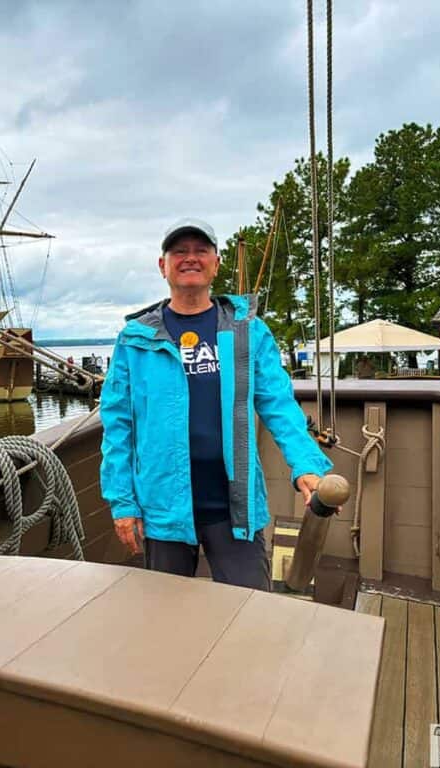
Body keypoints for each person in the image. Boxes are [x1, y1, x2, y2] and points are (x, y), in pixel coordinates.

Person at [100, 217, 333, 591]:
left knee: (249, 614)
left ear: (216, 262)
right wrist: (122, 502)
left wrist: (305, 465)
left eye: (200, 250)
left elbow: (279, 405)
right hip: (162, 508)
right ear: (163, 266)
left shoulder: (247, 330)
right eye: (179, 251)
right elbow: (118, 427)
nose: (190, 258)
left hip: (234, 506)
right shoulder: (135, 340)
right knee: (164, 618)